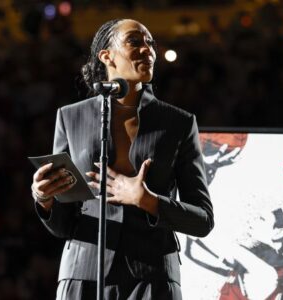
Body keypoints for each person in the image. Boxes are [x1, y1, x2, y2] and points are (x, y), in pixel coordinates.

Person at [30, 18, 213, 299]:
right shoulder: (71, 117)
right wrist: (45, 199)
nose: (148, 50)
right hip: (83, 272)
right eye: (135, 42)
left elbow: (202, 220)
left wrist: (148, 201)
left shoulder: (179, 123)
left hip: (153, 277)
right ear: (106, 55)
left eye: (150, 43)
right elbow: (63, 224)